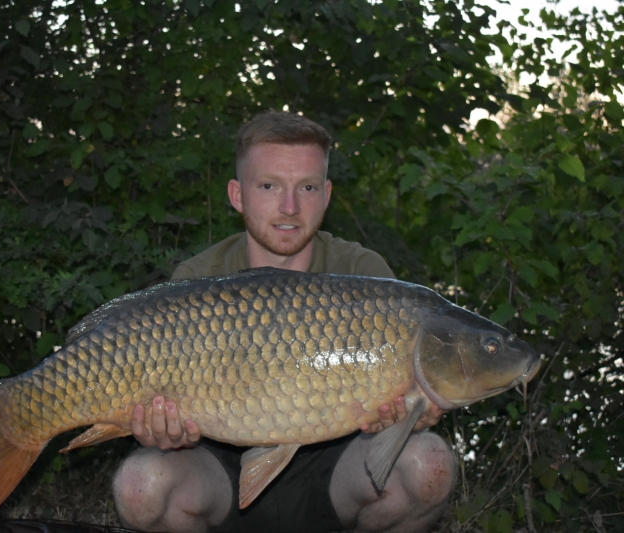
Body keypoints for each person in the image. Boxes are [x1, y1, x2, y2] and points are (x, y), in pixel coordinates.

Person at [112, 111, 456, 533]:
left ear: (327, 194)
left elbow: (400, 414)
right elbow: (156, 411)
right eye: (270, 185)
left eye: (307, 187)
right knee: (140, 485)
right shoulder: (198, 279)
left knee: (428, 464)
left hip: (335, 470)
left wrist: (409, 416)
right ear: (238, 195)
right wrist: (160, 429)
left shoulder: (364, 275)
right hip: (219, 473)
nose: (290, 207)